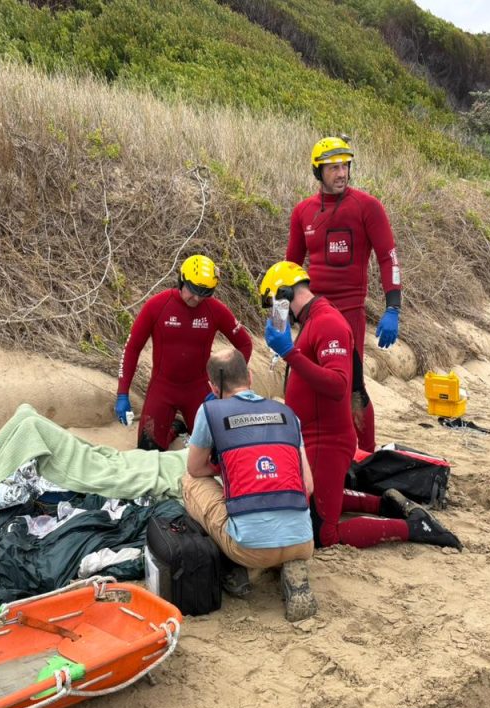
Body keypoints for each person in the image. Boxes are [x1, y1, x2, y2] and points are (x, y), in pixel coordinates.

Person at [260, 261, 461, 551]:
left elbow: (337, 384)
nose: (275, 312)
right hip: (315, 438)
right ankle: (384, 502)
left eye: (273, 302)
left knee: (322, 535)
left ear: (284, 293)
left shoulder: (326, 322)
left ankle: (414, 527)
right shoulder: (313, 320)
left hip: (326, 441)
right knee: (316, 503)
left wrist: (289, 352)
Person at [285, 135, 403, 452]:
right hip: (313, 313)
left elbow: (388, 257)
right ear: (318, 171)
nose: (341, 173)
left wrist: (394, 308)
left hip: (350, 314)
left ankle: (363, 455)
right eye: (333, 167)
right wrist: (280, 316)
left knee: (353, 389)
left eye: (345, 166)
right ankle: (304, 450)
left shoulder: (367, 206)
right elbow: (289, 270)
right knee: (299, 383)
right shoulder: (303, 212)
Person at [182, 348, 318, 622]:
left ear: (212, 386)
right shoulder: (287, 413)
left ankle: (236, 565)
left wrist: (220, 468)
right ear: (250, 376)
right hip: (303, 540)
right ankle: (290, 563)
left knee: (189, 482)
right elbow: (308, 486)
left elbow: (195, 468)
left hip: (249, 549)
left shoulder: (210, 410)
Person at [116, 254, 253, 451]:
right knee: (148, 450)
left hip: (199, 390)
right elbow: (132, 348)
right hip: (162, 388)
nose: (197, 298)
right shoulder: (156, 306)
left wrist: (222, 387)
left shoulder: (215, 310)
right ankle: (175, 428)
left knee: (216, 453)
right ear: (182, 280)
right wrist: (122, 393)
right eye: (193, 291)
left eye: (205, 293)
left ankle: (184, 427)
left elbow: (245, 344)